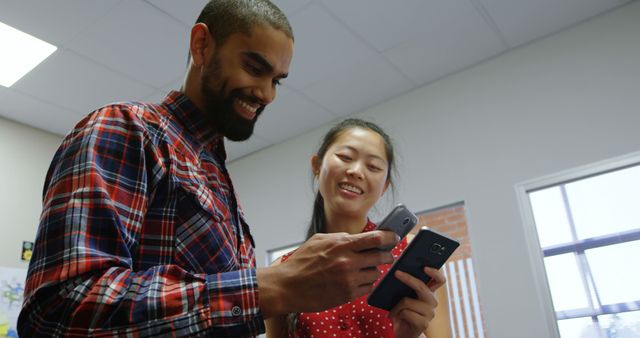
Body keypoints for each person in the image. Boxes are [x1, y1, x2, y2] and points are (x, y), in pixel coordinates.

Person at [18, 1, 401, 337]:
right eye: (254, 67)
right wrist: (268, 288)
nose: (267, 94)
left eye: (276, 81)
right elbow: (58, 311)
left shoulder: (217, 177)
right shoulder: (128, 128)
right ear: (202, 45)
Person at [265, 118, 448, 338]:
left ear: (384, 186)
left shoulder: (409, 253)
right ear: (317, 165)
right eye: (345, 157)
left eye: (373, 166)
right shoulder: (283, 269)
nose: (356, 171)